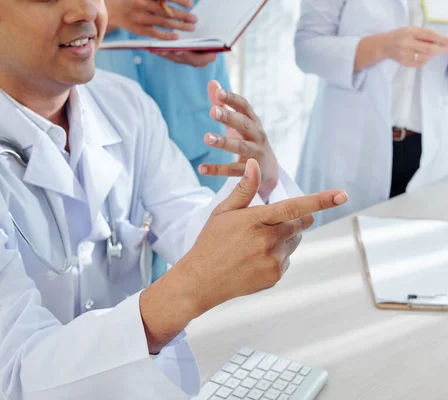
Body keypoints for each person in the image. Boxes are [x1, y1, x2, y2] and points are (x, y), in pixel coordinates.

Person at [0, 0, 347, 399]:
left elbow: (187, 223)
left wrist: (261, 183)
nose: (84, 11)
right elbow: (15, 376)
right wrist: (183, 292)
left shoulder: (124, 104)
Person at [295, 0, 448, 226]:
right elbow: (307, 49)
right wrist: (383, 46)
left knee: (411, 249)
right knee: (335, 250)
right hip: (350, 145)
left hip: (426, 149)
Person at [95, 0, 234, 280]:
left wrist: (214, 30)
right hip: (105, 112)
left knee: (216, 255)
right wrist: (105, 10)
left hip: (193, 106)